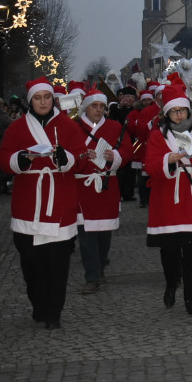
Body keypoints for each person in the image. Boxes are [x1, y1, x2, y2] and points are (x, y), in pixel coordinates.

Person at [0, 76, 87, 330]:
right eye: (38, 98)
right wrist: (21, 160)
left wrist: (66, 158)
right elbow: (4, 159)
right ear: (31, 101)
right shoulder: (16, 128)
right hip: (28, 203)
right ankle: (38, 303)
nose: (43, 102)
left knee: (58, 264)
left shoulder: (68, 127)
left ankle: (54, 313)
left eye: (47, 97)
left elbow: (81, 158)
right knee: (31, 264)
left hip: (59, 201)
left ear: (53, 99)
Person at [145, 86, 192, 315]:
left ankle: (190, 299)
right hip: (168, 200)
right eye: (173, 111)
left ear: (189, 110)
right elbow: (151, 166)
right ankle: (171, 282)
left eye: (182, 110)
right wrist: (169, 159)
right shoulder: (157, 136)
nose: (178, 115)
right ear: (166, 114)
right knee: (170, 252)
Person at [75, 88, 133, 294]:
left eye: (101, 106)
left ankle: (100, 267)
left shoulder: (115, 126)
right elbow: (68, 153)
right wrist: (82, 155)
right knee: (86, 234)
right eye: (94, 106)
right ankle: (92, 276)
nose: (98, 110)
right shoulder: (74, 127)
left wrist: (114, 156)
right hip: (83, 187)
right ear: (86, 107)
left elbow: (127, 151)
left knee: (104, 234)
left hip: (107, 186)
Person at [109, 85, 137, 202]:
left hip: (133, 140)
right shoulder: (116, 107)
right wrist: (120, 106)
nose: (128, 99)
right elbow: (111, 116)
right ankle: (119, 191)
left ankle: (128, 193)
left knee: (131, 169)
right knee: (120, 167)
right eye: (126, 96)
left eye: (131, 96)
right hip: (119, 140)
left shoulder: (135, 109)